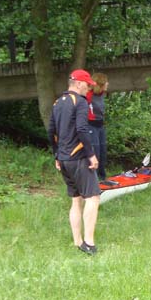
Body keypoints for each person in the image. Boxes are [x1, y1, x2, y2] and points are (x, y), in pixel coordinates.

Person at [47, 69, 101, 255]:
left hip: (64, 159)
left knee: (76, 201)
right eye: (87, 84)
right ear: (78, 83)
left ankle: (77, 242)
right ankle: (89, 243)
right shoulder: (80, 102)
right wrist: (91, 155)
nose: (88, 88)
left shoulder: (57, 103)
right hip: (78, 157)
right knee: (93, 197)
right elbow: (82, 129)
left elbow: (51, 131)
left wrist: (57, 155)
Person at [86, 72, 110, 182]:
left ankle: (102, 176)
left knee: (103, 152)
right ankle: (93, 178)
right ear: (99, 84)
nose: (108, 84)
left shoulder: (101, 95)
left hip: (100, 125)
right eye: (105, 82)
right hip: (91, 126)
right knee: (95, 152)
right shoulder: (88, 95)